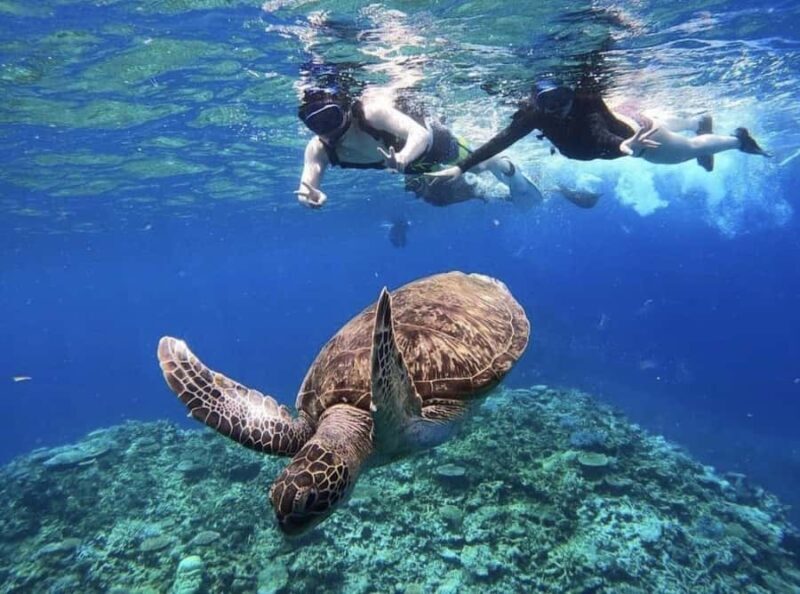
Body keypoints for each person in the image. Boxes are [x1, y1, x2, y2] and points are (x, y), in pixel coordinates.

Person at [428, 81, 771, 183]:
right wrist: (461, 166)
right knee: (669, 129)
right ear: (537, 103)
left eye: (565, 96)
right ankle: (697, 120)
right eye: (550, 102)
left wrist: (624, 146)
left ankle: (736, 139)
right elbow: (499, 141)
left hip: (640, 137)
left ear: (571, 92)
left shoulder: (586, 103)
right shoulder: (535, 116)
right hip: (628, 127)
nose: (561, 106)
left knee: (684, 152)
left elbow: (598, 137)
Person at [294, 87, 545, 210]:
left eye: (331, 117)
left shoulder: (371, 113)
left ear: (345, 108)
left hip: (436, 146)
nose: (327, 128)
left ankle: (506, 167)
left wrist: (402, 156)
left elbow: (420, 134)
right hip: (409, 165)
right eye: (316, 123)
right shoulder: (318, 149)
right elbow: (308, 184)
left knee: (479, 165)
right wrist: (309, 198)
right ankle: (492, 194)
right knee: (435, 198)